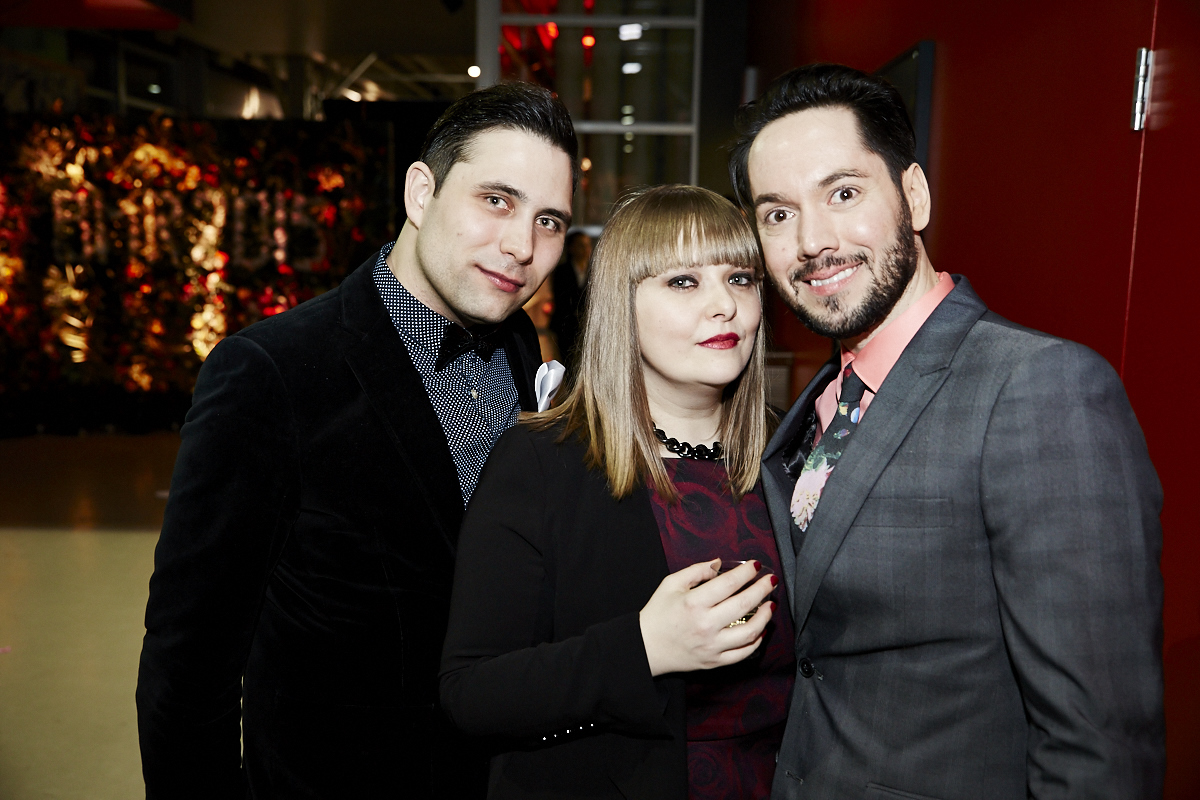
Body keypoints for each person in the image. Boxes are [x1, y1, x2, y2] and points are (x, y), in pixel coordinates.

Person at [729, 63, 1164, 798]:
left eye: (842, 193)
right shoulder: (826, 401)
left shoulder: (1040, 387)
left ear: (915, 195)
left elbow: (1099, 743)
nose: (813, 241)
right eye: (778, 214)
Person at [136, 82, 577, 798]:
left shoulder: (522, 346)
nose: (522, 246)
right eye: (496, 200)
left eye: (550, 221)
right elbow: (187, 667)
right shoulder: (271, 373)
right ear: (420, 193)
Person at [440, 185, 795, 799]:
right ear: (619, 305)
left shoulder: (792, 449)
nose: (724, 307)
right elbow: (474, 693)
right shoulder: (541, 462)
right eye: (683, 282)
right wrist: (644, 648)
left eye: (740, 279)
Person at [549, 229, 592, 368]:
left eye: (587, 245)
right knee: (568, 364)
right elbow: (561, 300)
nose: (586, 249)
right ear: (571, 248)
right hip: (566, 327)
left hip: (587, 328)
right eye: (581, 245)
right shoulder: (562, 271)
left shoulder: (594, 271)